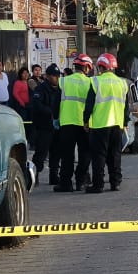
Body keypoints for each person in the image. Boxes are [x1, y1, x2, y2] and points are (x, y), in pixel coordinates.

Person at [84, 53, 132, 193]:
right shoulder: (122, 83)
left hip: (99, 125)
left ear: (100, 67)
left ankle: (98, 185)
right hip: (117, 125)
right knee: (115, 155)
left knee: (99, 156)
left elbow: (89, 105)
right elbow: (126, 107)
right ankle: (115, 183)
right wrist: (124, 122)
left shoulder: (96, 82)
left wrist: (85, 120)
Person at [55, 53, 95, 192]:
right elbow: (92, 104)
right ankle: (81, 180)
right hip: (85, 124)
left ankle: (66, 183)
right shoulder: (90, 82)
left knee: (67, 155)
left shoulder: (64, 81)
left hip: (66, 122)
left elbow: (56, 102)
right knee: (85, 154)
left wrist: (55, 118)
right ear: (87, 68)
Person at [35, 64, 62, 185]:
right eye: (54, 76)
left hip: (57, 126)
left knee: (56, 152)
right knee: (41, 152)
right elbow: (36, 105)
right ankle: (34, 175)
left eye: (57, 76)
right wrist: (50, 112)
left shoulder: (61, 89)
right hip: (44, 126)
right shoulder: (41, 88)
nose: (56, 78)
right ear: (47, 76)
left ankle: (54, 175)